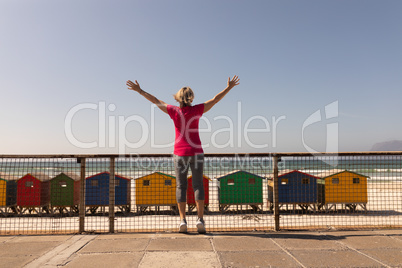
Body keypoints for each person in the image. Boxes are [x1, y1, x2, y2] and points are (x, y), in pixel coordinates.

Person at [126, 75, 240, 233]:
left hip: (180, 153)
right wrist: (229, 87)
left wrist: (140, 91)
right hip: (197, 152)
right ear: (191, 98)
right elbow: (215, 100)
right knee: (198, 185)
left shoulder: (173, 111)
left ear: (178, 98)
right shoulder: (198, 109)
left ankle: (182, 221)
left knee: (181, 186)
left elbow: (155, 100)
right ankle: (200, 219)